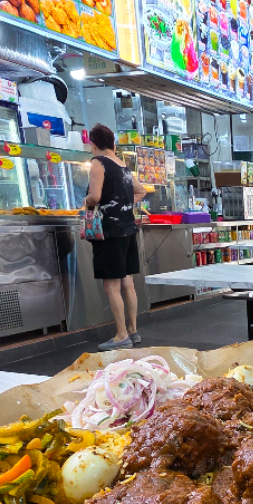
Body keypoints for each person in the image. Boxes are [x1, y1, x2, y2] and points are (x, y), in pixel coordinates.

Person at [85, 123, 149, 351]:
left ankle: (121, 335)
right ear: (113, 142)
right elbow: (141, 191)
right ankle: (133, 330)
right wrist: (124, 204)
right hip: (128, 229)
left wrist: (86, 203)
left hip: (109, 232)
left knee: (111, 285)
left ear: (93, 144)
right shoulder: (122, 164)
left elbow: (94, 196)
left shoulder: (98, 163)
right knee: (127, 283)